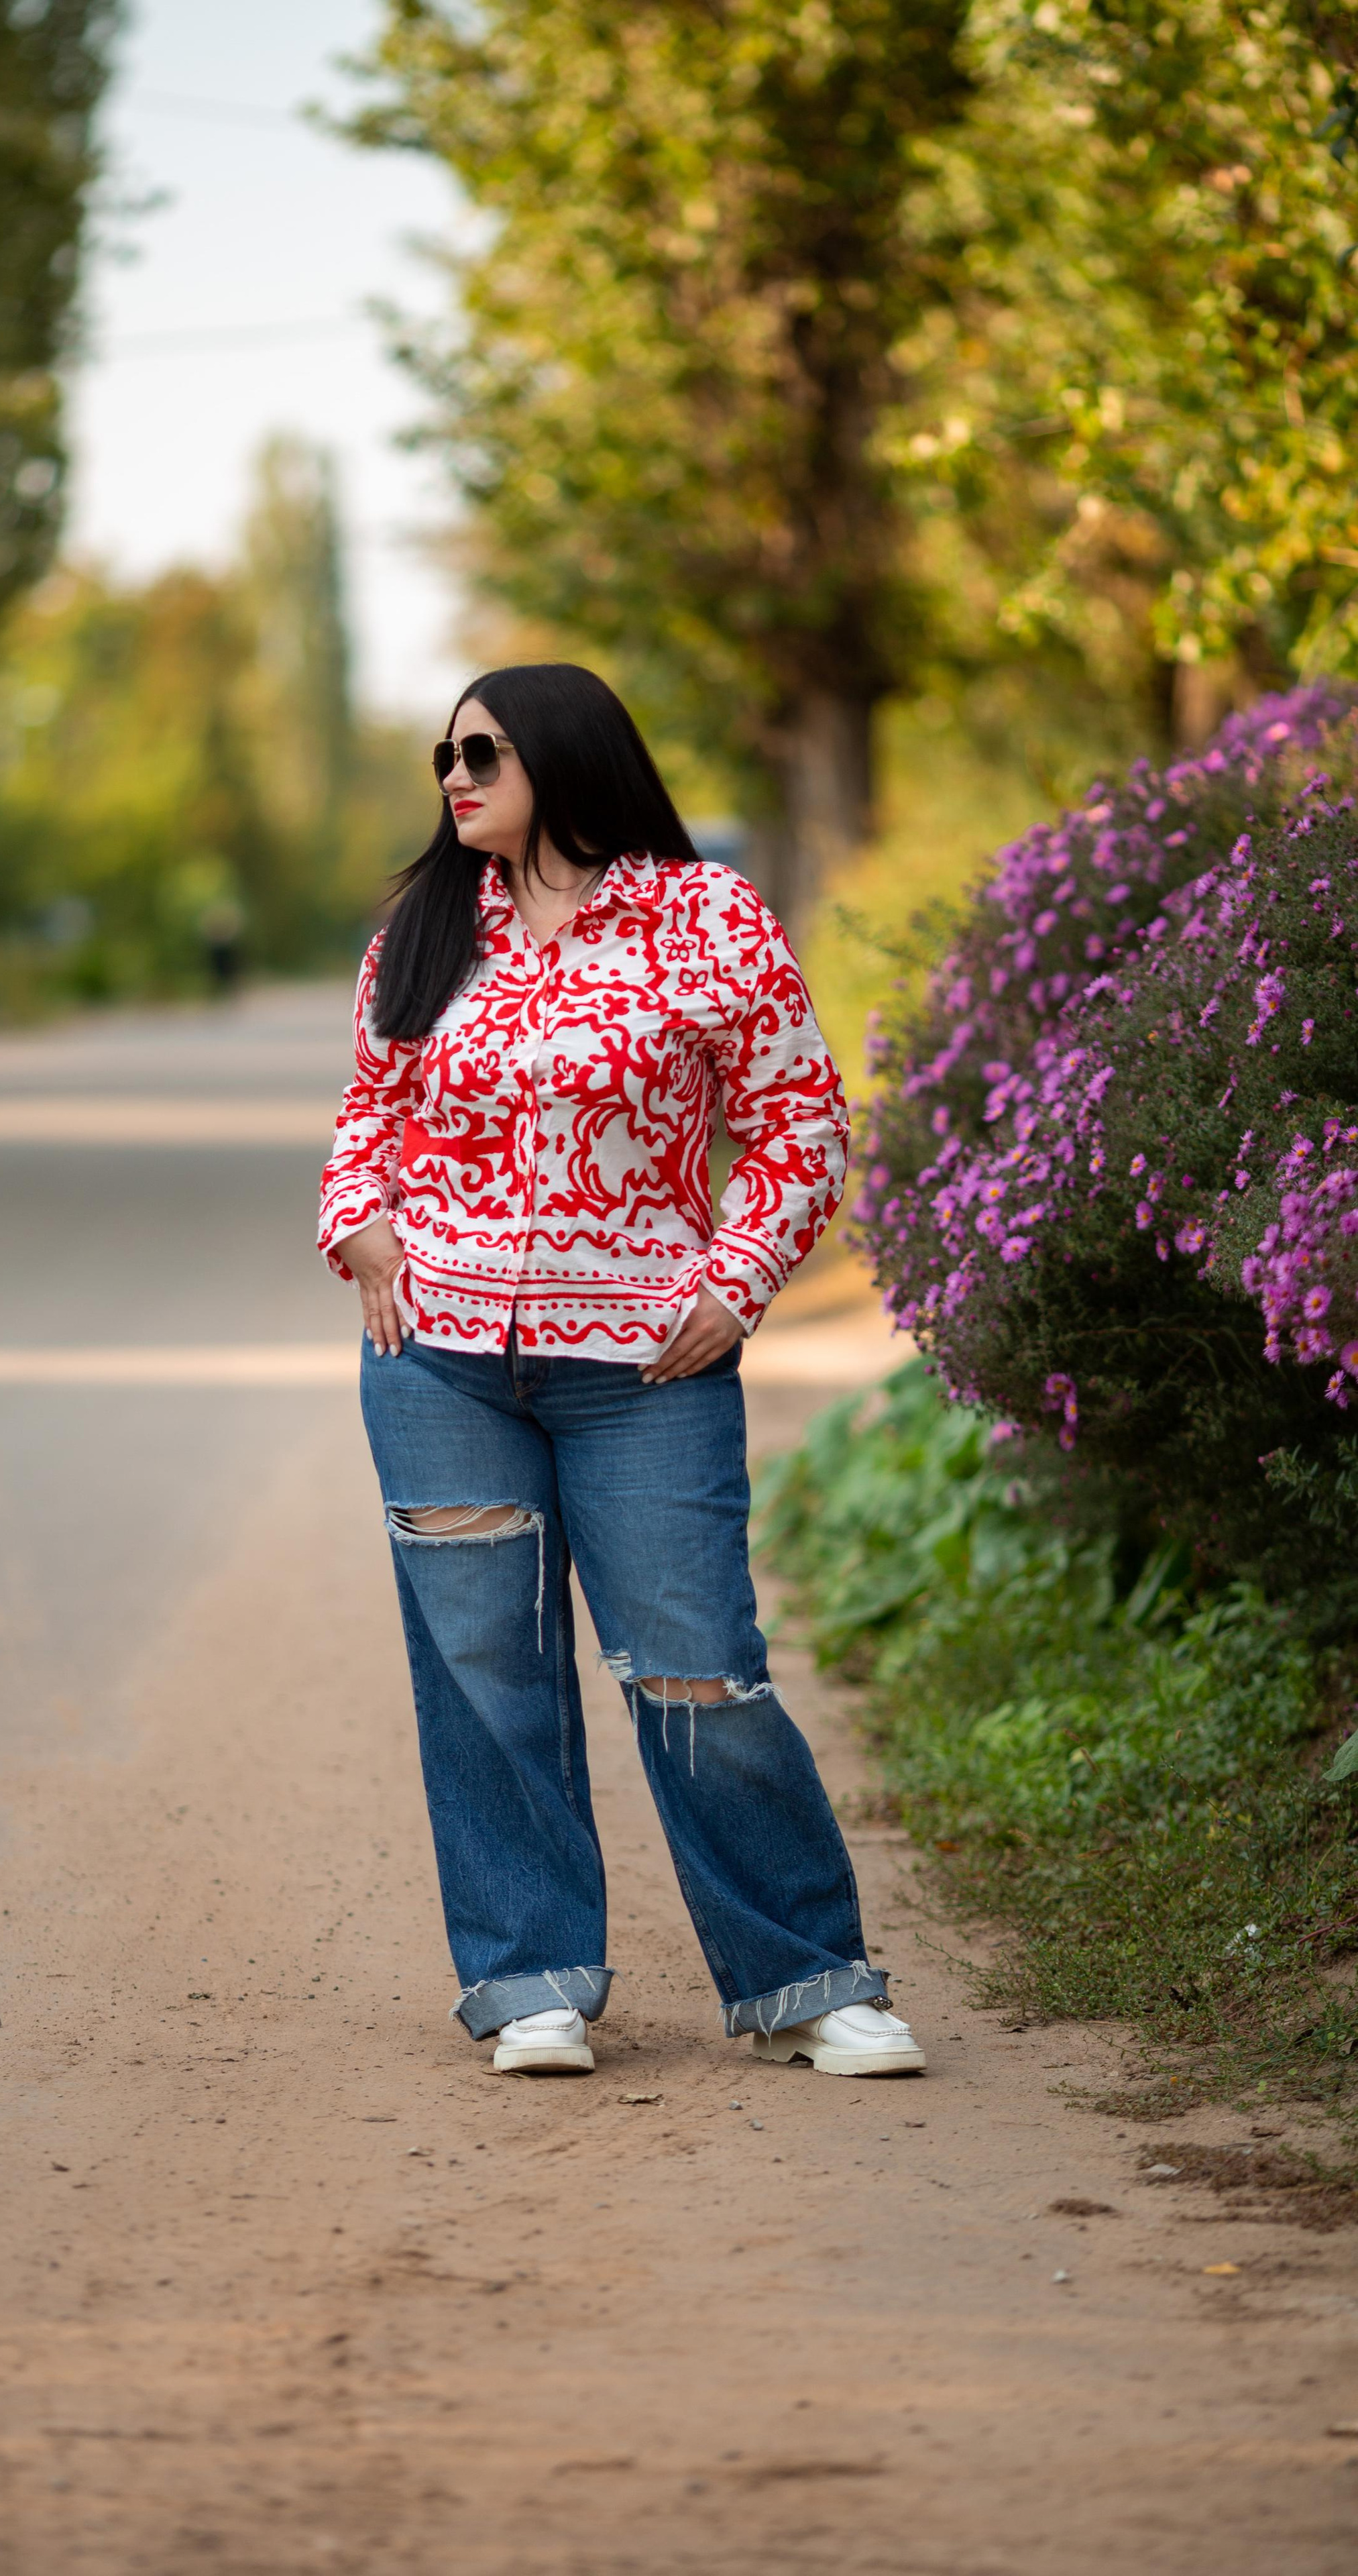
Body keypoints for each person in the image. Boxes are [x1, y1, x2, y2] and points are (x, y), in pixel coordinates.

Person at [318, 663, 923, 2082]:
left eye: (480, 753)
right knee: (482, 1672)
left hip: (644, 1366)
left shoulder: (704, 918)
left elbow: (800, 1121)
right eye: (441, 757)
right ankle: (527, 1978)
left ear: (566, 758)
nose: (453, 779)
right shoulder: (420, 927)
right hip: (439, 1363)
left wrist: (735, 1282)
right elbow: (370, 1110)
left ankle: (806, 1974)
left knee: (697, 1664)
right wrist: (359, 1227)